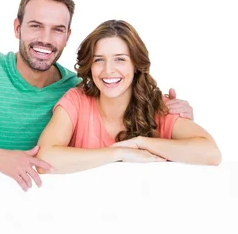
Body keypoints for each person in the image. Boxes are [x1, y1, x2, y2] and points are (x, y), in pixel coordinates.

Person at [0, 0, 194, 190]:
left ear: (68, 36)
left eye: (57, 30)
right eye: (36, 26)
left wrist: (169, 112)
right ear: (17, 28)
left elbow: (123, 102)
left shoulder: (77, 91)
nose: (46, 39)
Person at [37, 20, 221, 174]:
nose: (108, 70)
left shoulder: (158, 107)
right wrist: (118, 153)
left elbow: (211, 153)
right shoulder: (76, 101)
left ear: (136, 65)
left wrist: (140, 143)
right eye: (99, 59)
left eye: (120, 59)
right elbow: (44, 160)